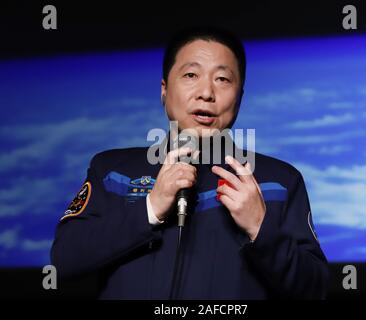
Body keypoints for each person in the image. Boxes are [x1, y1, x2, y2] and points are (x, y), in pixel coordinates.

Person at [51, 27, 329, 299]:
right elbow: (64, 261)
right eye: (191, 75)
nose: (206, 92)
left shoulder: (279, 181)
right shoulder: (112, 170)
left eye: (222, 79)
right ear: (164, 89)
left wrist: (260, 227)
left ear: (240, 97)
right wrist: (151, 209)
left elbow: (315, 288)